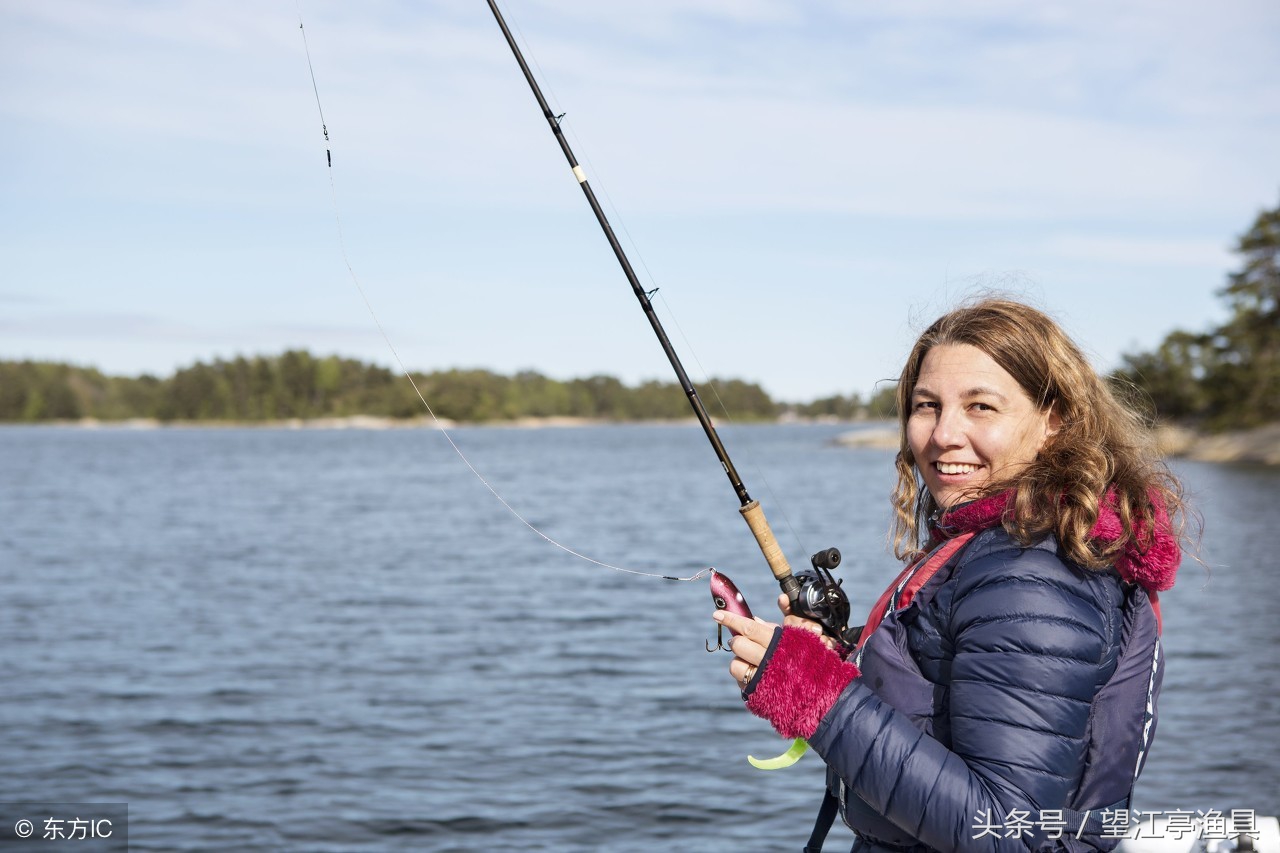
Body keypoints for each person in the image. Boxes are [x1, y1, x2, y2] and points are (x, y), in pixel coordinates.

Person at [714, 298, 1186, 852]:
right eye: (927, 405)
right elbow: (946, 714)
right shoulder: (1009, 541)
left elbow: (1008, 830)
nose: (943, 435)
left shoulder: (1033, 572)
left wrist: (818, 696)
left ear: (1053, 421)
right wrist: (831, 667)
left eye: (981, 406)